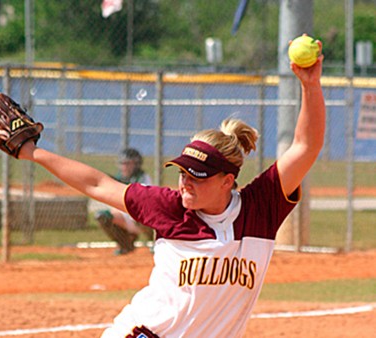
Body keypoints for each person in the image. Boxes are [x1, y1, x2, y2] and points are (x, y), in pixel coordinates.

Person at [17, 43, 325, 337]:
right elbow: (97, 184)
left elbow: (305, 146)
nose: (185, 182)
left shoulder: (259, 209)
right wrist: (32, 152)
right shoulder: (169, 206)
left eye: (198, 176)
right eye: (182, 172)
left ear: (227, 181)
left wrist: (310, 86)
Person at [95, 148, 153, 255]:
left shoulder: (143, 178)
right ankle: (126, 245)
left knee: (140, 216)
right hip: (125, 216)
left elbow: (141, 201)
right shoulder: (118, 178)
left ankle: (155, 242)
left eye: (128, 164)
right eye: (122, 164)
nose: (124, 167)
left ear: (136, 164)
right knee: (102, 216)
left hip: (142, 219)